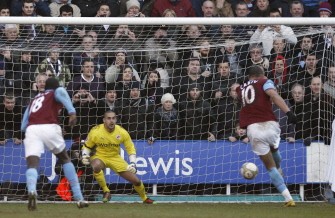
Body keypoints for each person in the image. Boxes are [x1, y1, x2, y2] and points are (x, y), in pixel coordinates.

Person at [21, 77, 88, 210]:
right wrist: (72, 112)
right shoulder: (55, 91)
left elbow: (23, 125)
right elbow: (61, 93)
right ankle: (79, 198)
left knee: (32, 163)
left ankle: (32, 191)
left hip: (32, 129)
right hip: (49, 126)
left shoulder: (34, 100)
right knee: (65, 158)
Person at [236, 65, 297, 207]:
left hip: (253, 129)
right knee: (274, 150)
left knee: (270, 167)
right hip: (271, 125)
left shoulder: (240, 88)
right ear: (261, 74)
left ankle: (288, 199)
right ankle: (279, 167)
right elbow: (273, 95)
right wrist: (289, 112)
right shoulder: (265, 82)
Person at [81, 110, 156, 204]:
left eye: (113, 118)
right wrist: (84, 155)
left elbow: (130, 148)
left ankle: (145, 198)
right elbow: (87, 146)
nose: (111, 121)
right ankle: (106, 191)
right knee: (96, 166)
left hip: (115, 158)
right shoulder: (95, 131)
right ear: (104, 120)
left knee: (136, 181)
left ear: (116, 120)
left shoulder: (122, 132)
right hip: (99, 156)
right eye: (108, 118)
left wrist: (133, 163)